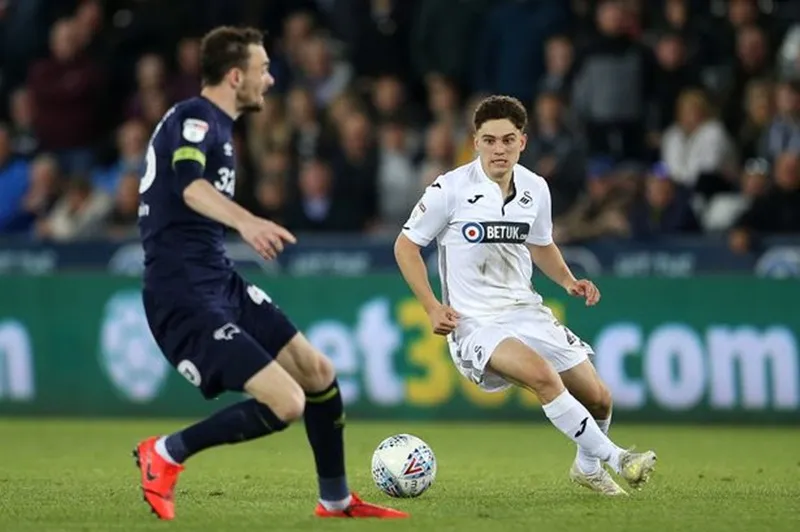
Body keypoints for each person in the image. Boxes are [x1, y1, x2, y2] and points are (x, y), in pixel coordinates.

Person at [134, 26, 407, 521]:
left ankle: (336, 500)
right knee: (286, 401)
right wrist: (247, 220)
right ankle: (166, 452)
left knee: (317, 372)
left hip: (218, 280)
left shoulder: (219, 127)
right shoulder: (197, 118)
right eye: (262, 70)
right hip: (183, 291)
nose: (271, 79)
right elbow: (189, 186)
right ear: (235, 75)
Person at [393, 95, 657, 496]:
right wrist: (431, 307)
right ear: (476, 142)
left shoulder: (536, 188)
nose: (499, 149)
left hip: (526, 311)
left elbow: (541, 244)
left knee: (599, 398)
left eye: (508, 139)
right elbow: (405, 247)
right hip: (474, 321)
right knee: (542, 377)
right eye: (489, 140)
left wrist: (569, 281)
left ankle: (587, 467)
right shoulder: (449, 189)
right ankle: (619, 458)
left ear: (523, 142)